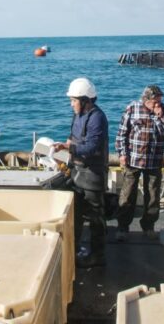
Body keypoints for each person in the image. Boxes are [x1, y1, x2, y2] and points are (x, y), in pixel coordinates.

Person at [54, 77, 109, 268]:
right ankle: (75, 249)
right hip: (77, 171)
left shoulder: (97, 118)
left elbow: (93, 147)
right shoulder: (78, 116)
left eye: (74, 101)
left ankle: (98, 255)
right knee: (76, 213)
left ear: (85, 100)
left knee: (95, 216)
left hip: (92, 174)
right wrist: (62, 150)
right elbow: (73, 139)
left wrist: (69, 149)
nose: (71, 104)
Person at [115, 84, 164, 240]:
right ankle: (123, 227)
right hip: (133, 159)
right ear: (146, 100)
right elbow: (122, 133)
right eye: (155, 102)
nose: (158, 104)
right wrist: (122, 154)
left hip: (154, 160)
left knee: (153, 195)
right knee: (128, 194)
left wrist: (161, 116)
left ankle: (148, 226)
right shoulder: (132, 108)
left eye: (159, 101)